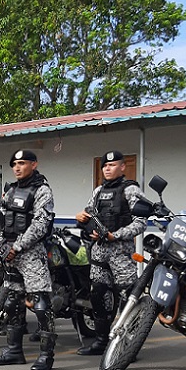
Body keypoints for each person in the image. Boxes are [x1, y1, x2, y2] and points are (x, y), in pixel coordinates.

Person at [0, 150, 57, 370]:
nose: (17, 168)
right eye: (15, 164)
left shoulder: (42, 191)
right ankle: (13, 351)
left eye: (22, 163)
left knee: (40, 304)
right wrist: (1, 245)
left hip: (31, 253)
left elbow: (41, 223)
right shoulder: (9, 190)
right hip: (9, 253)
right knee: (12, 302)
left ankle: (46, 356)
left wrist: (17, 247)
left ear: (34, 164)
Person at [75, 150, 147, 356]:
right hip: (99, 252)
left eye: (112, 165)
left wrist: (116, 235)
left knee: (127, 298)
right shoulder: (98, 191)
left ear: (122, 167)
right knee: (98, 295)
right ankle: (100, 341)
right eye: (105, 166)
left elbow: (141, 223)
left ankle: (128, 346)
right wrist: (81, 218)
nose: (107, 168)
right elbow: (89, 215)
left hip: (121, 253)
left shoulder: (131, 190)